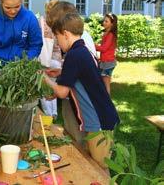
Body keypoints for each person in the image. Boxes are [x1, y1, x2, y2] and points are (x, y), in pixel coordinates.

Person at [44, 9, 120, 169]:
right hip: (101, 118)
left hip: (99, 123)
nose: (57, 43)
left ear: (65, 33)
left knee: (100, 168)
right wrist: (61, 73)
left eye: (57, 38)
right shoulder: (82, 50)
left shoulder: (73, 55)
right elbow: (80, 77)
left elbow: (62, 92)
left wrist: (43, 78)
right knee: (93, 165)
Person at [38, 3, 63, 119]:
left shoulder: (42, 21)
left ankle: (48, 114)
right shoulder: (60, 23)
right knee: (53, 85)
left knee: (44, 85)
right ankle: (54, 113)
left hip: (45, 58)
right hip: (57, 59)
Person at [95, 13, 118, 95]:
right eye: (104, 21)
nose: (104, 22)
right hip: (105, 62)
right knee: (104, 83)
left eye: (106, 21)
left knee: (106, 84)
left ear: (112, 24)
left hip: (108, 63)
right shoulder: (106, 33)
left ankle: (107, 102)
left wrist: (93, 45)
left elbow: (104, 48)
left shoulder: (111, 35)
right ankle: (106, 102)